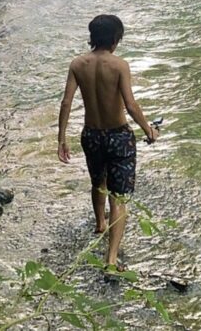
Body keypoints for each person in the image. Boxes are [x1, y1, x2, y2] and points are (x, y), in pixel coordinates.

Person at [57, 14, 159, 270]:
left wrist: (61, 139)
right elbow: (131, 105)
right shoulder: (119, 65)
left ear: (92, 37)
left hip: (91, 135)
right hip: (118, 136)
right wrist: (148, 130)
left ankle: (100, 224)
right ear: (115, 39)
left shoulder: (77, 64)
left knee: (97, 181)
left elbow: (66, 102)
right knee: (119, 197)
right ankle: (111, 259)